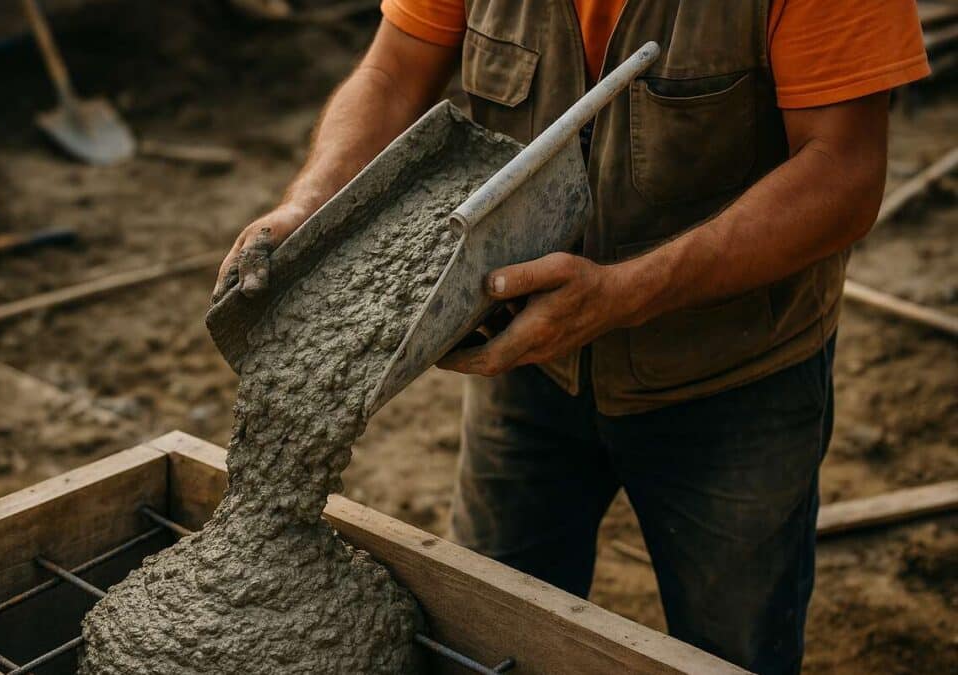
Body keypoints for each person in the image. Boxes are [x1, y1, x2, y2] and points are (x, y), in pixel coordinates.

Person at [213, 2, 929, 672]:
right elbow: (392, 69)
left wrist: (625, 293)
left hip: (731, 378)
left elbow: (844, 170)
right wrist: (310, 201)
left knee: (730, 649)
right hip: (524, 358)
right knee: (492, 622)